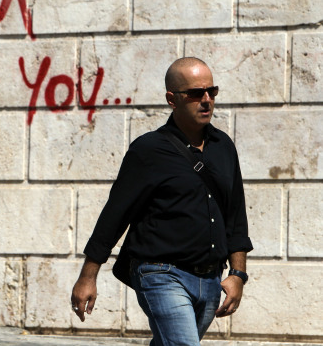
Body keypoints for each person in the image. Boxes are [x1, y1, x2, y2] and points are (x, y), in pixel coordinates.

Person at [71, 57, 253, 345]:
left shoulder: (223, 147)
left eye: (212, 91)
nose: (206, 100)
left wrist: (238, 273)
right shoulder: (148, 150)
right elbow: (115, 214)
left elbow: (235, 215)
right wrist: (87, 276)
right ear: (172, 99)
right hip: (161, 274)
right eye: (195, 93)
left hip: (209, 281)